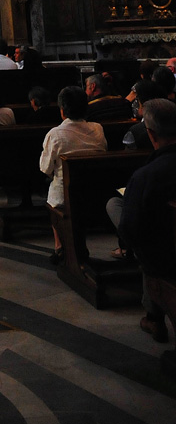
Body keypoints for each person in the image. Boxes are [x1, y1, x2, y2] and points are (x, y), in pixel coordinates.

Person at [107, 99, 176, 343]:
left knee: (134, 226)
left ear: (150, 133)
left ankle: (154, 314)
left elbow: (131, 229)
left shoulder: (146, 175)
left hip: (165, 259)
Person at [40, 85, 107, 262]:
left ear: (62, 111)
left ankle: (60, 247)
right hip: (95, 192)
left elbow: (45, 168)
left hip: (65, 197)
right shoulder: (98, 129)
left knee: (53, 191)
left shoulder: (55, 134)